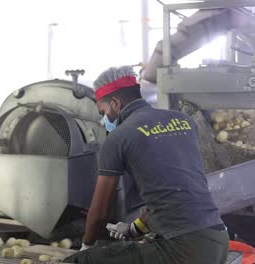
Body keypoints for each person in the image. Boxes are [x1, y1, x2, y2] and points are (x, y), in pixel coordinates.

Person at [64, 66, 228, 264]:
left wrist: (85, 249)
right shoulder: (184, 121)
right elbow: (173, 192)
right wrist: (133, 229)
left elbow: (99, 214)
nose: (103, 120)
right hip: (217, 238)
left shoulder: (119, 137)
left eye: (103, 112)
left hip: (184, 248)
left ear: (115, 103)